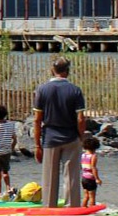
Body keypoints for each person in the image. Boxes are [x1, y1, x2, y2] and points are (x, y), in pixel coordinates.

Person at [32, 57, 87, 208]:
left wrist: (37, 144)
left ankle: (49, 208)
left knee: (49, 177)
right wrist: (81, 137)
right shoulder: (75, 90)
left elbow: (37, 120)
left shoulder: (42, 90)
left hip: (50, 137)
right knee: (71, 177)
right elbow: (81, 119)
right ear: (67, 72)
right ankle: (72, 208)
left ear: (52, 70)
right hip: (71, 137)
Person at [79, 134, 102, 207]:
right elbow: (93, 168)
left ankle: (83, 208)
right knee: (92, 196)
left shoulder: (83, 155)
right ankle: (92, 211)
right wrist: (97, 179)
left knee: (86, 196)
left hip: (84, 178)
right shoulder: (93, 156)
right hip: (90, 179)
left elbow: (81, 166)